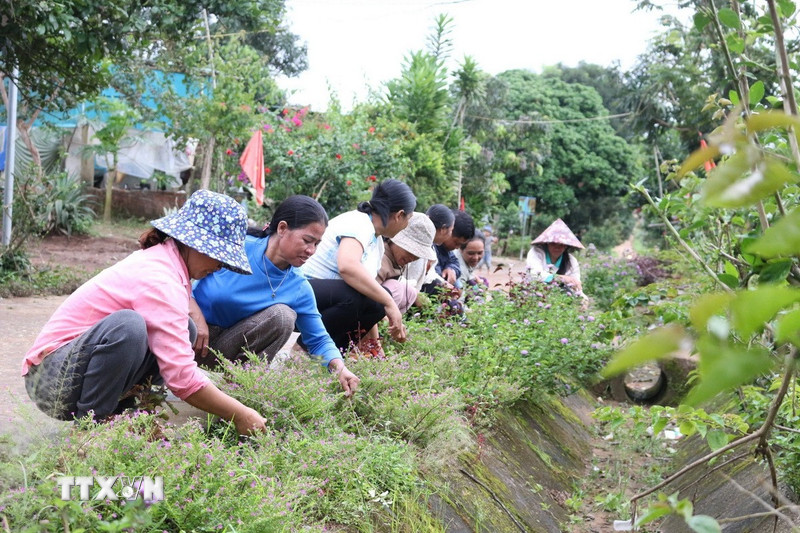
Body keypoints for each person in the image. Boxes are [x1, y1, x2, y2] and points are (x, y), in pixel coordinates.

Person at [22, 190, 268, 435]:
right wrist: (240, 413)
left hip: (71, 371)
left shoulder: (169, 265)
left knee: (186, 329)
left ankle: (133, 418)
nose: (219, 267)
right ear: (197, 244)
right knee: (127, 326)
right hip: (49, 380)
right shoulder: (159, 278)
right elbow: (182, 378)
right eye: (220, 259)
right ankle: (90, 430)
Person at [190, 195, 360, 396]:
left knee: (283, 316)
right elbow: (177, 277)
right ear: (282, 228)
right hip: (188, 334)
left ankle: (237, 395)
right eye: (307, 240)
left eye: (317, 244)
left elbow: (318, 338)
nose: (311, 250)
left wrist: (340, 369)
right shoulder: (237, 248)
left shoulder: (298, 286)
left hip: (224, 349)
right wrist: (195, 314)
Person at [300, 179, 416, 353]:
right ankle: (304, 350)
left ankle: (331, 356)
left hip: (325, 295)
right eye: (408, 219)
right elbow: (347, 266)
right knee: (378, 297)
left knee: (375, 301)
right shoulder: (360, 223)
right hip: (301, 289)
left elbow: (369, 300)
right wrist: (390, 303)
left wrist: (375, 349)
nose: (406, 226)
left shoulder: (376, 242)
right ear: (399, 215)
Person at [377, 213, 437, 313]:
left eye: (417, 255)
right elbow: (365, 294)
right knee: (395, 287)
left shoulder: (398, 262)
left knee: (410, 292)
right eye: (410, 251)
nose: (412, 258)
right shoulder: (381, 259)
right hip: (364, 308)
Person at [525, 218, 585, 296]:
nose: (557, 247)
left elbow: (576, 285)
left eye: (561, 244)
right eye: (553, 243)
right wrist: (560, 278)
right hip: (533, 294)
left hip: (558, 299)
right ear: (547, 243)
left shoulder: (571, 261)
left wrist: (583, 298)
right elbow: (535, 275)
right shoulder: (537, 253)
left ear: (566, 246)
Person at [421, 209, 475, 293]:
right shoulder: (431, 246)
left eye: (461, 245)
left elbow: (455, 262)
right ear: (447, 229)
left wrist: (451, 269)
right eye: (456, 243)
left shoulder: (447, 250)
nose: (457, 247)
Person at [405, 204, 454, 291]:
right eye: (451, 230)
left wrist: (443, 283)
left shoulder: (431, 246)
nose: (450, 235)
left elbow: (427, 273)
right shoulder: (414, 246)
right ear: (443, 229)